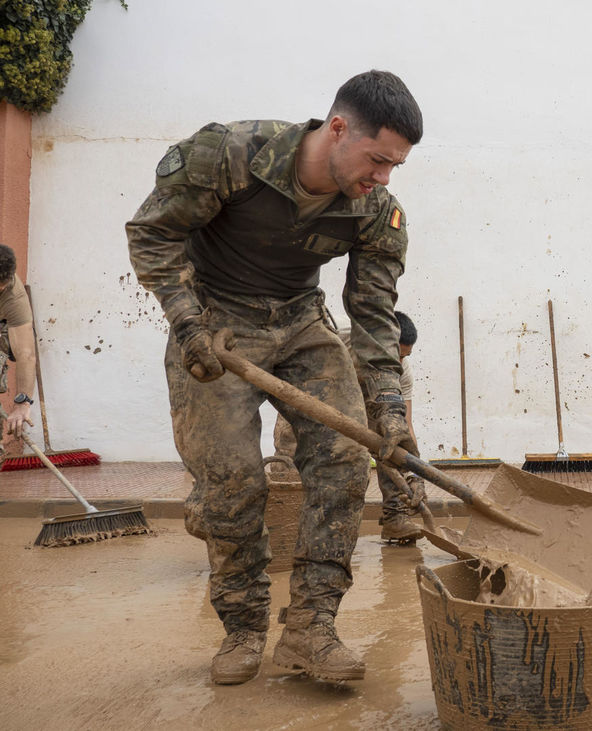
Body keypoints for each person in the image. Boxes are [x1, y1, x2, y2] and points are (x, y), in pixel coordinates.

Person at [126, 70, 422, 685]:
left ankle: (312, 628)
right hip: (215, 322)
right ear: (337, 129)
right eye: (377, 159)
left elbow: (372, 314)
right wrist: (186, 323)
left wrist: (389, 406)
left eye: (395, 166)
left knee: (343, 462)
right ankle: (242, 628)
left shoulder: (376, 210)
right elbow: (153, 235)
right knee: (231, 481)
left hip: (301, 323)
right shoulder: (228, 155)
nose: (384, 177)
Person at [272, 310, 426, 544]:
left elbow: (405, 425)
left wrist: (416, 472)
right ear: (375, 343)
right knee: (290, 441)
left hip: (368, 393)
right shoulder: (336, 334)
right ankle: (285, 517)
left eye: (406, 356)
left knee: (392, 435)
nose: (400, 363)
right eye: (396, 355)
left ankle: (395, 517)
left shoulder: (401, 372)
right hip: (314, 381)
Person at [0, 244, 37, 444]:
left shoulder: (13, 295)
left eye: (2, 287)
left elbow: (25, 354)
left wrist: (22, 403)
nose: (1, 290)